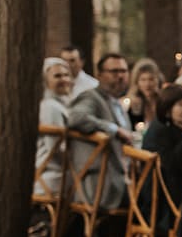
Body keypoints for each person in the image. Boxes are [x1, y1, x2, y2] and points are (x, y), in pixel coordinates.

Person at [66, 52, 135, 210]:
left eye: (124, 71)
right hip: (101, 184)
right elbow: (76, 118)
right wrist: (114, 129)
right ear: (100, 75)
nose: (120, 77)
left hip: (121, 179)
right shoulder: (90, 97)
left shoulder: (117, 103)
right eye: (114, 72)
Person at [141, 83, 182, 209]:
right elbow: (174, 166)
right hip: (171, 201)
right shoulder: (162, 132)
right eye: (180, 105)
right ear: (167, 112)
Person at [37, 57, 73, 196]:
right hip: (52, 174)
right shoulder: (50, 107)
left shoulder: (63, 103)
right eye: (57, 76)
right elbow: (55, 148)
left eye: (66, 75)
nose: (64, 79)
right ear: (46, 81)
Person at [127, 58, 164, 127]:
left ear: (158, 80)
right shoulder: (134, 104)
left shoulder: (164, 100)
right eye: (143, 80)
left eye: (151, 79)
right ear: (137, 82)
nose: (147, 84)